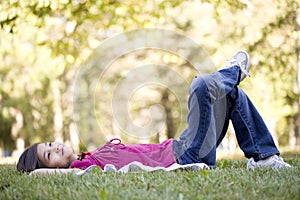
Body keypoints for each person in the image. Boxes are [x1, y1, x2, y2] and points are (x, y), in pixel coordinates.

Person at [17, 51, 292, 175]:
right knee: (201, 85)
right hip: (185, 156)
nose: (57, 148)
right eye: (49, 155)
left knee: (230, 93)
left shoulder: (89, 156)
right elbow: (42, 175)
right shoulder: (82, 169)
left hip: (183, 146)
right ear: (48, 168)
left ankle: (265, 156)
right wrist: (35, 170)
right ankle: (235, 72)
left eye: (50, 144)